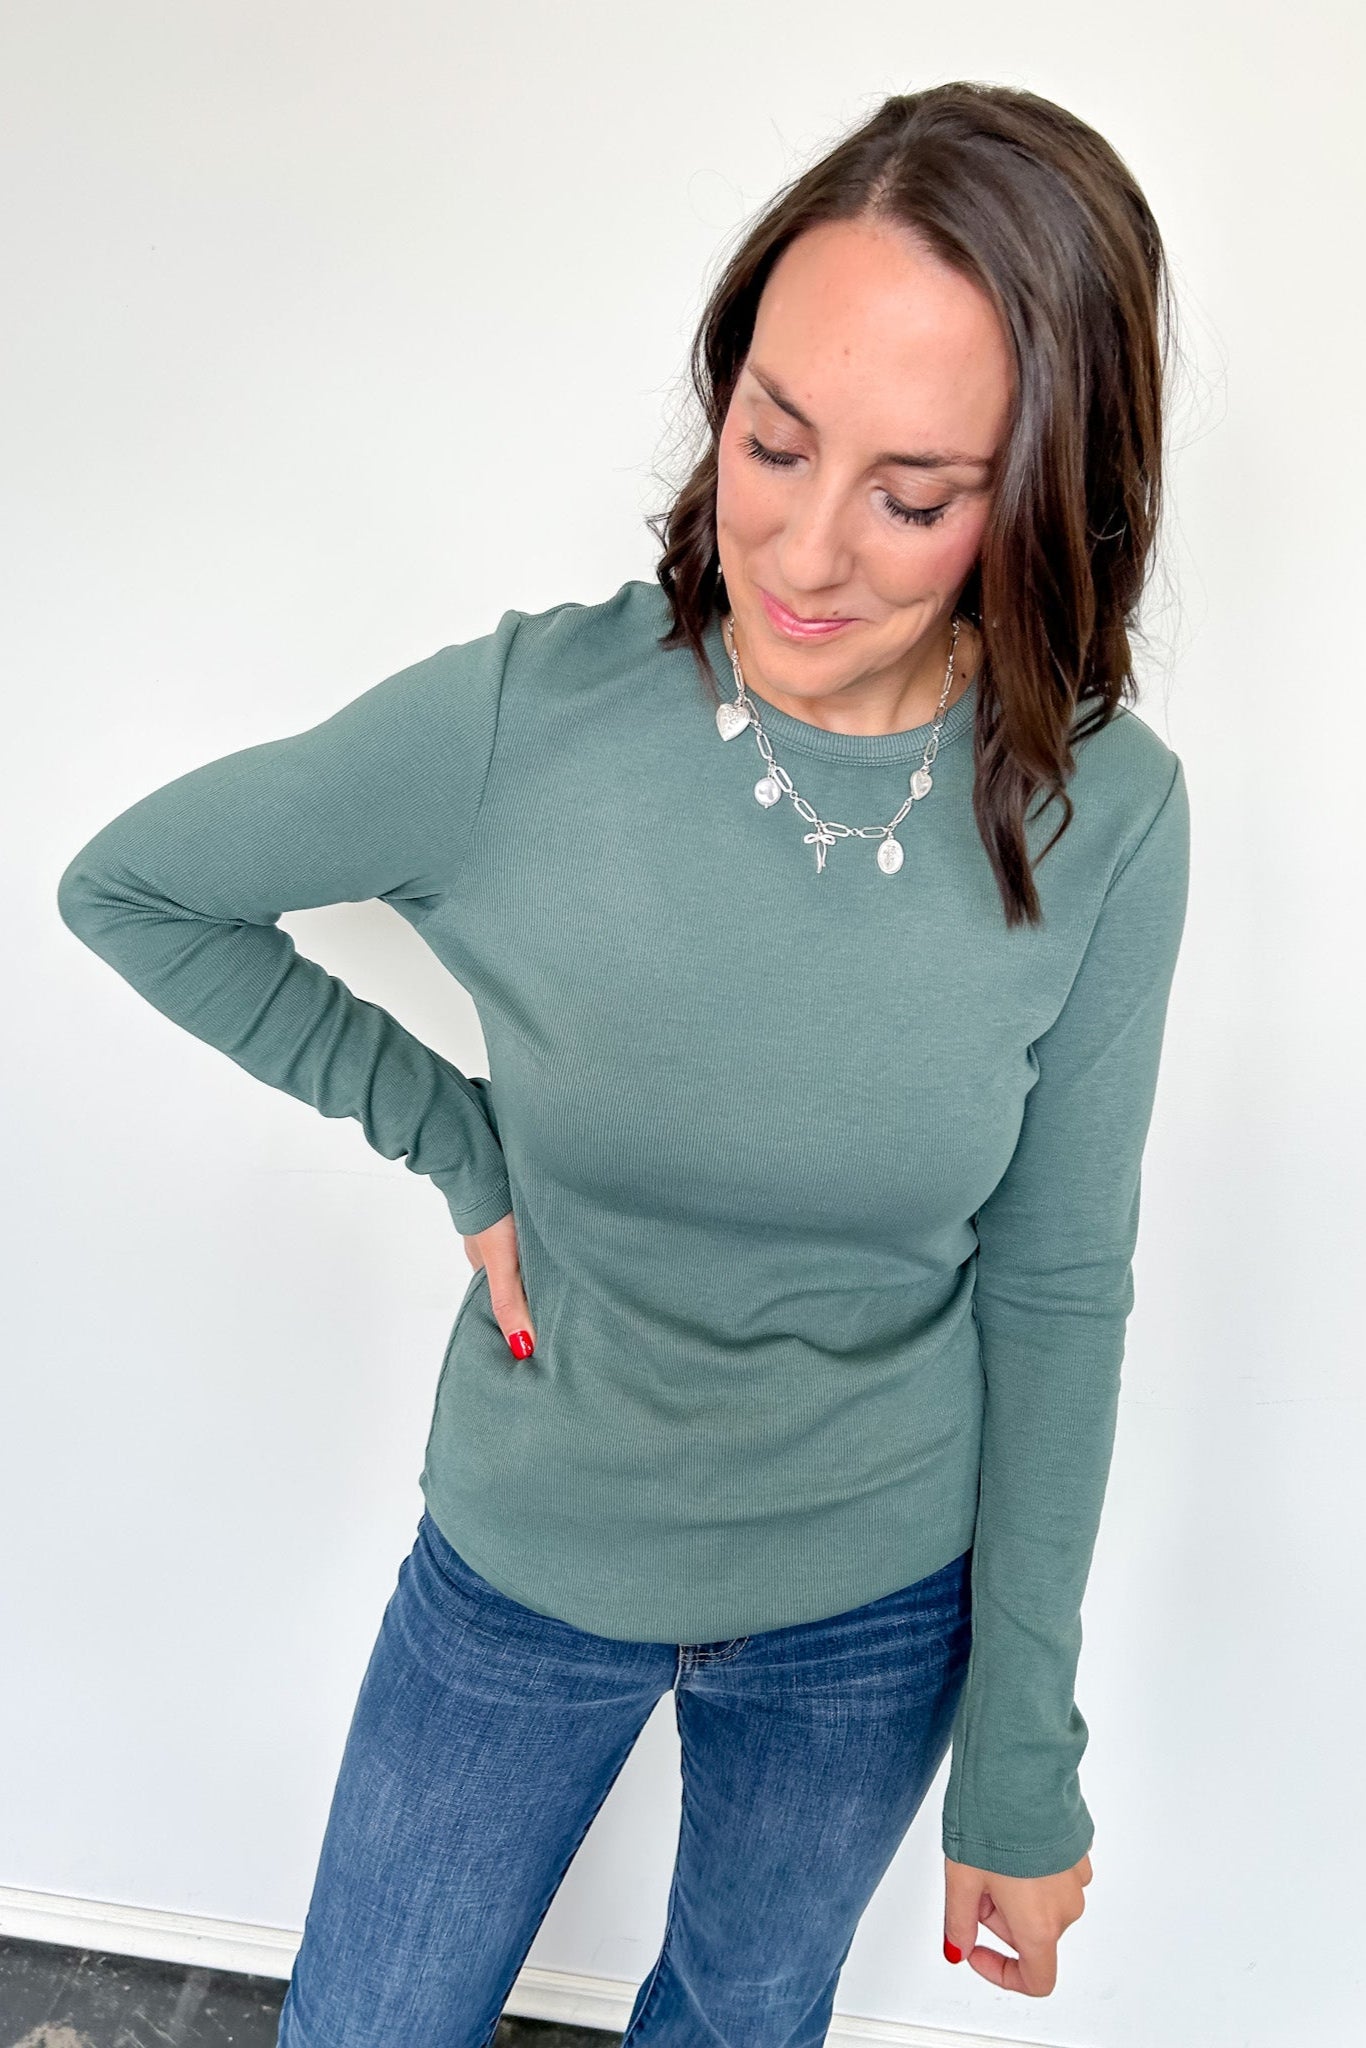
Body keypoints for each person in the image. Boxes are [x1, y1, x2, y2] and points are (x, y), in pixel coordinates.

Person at [56, 79, 1191, 2042]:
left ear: (1041, 490)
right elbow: (136, 887)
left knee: (739, 2018)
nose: (805, 546)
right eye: (771, 436)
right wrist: (457, 1138)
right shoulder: (526, 723)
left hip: (871, 1592)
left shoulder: (1110, 818)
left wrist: (1022, 1743)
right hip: (527, 1549)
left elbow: (1055, 1282)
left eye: (912, 492)